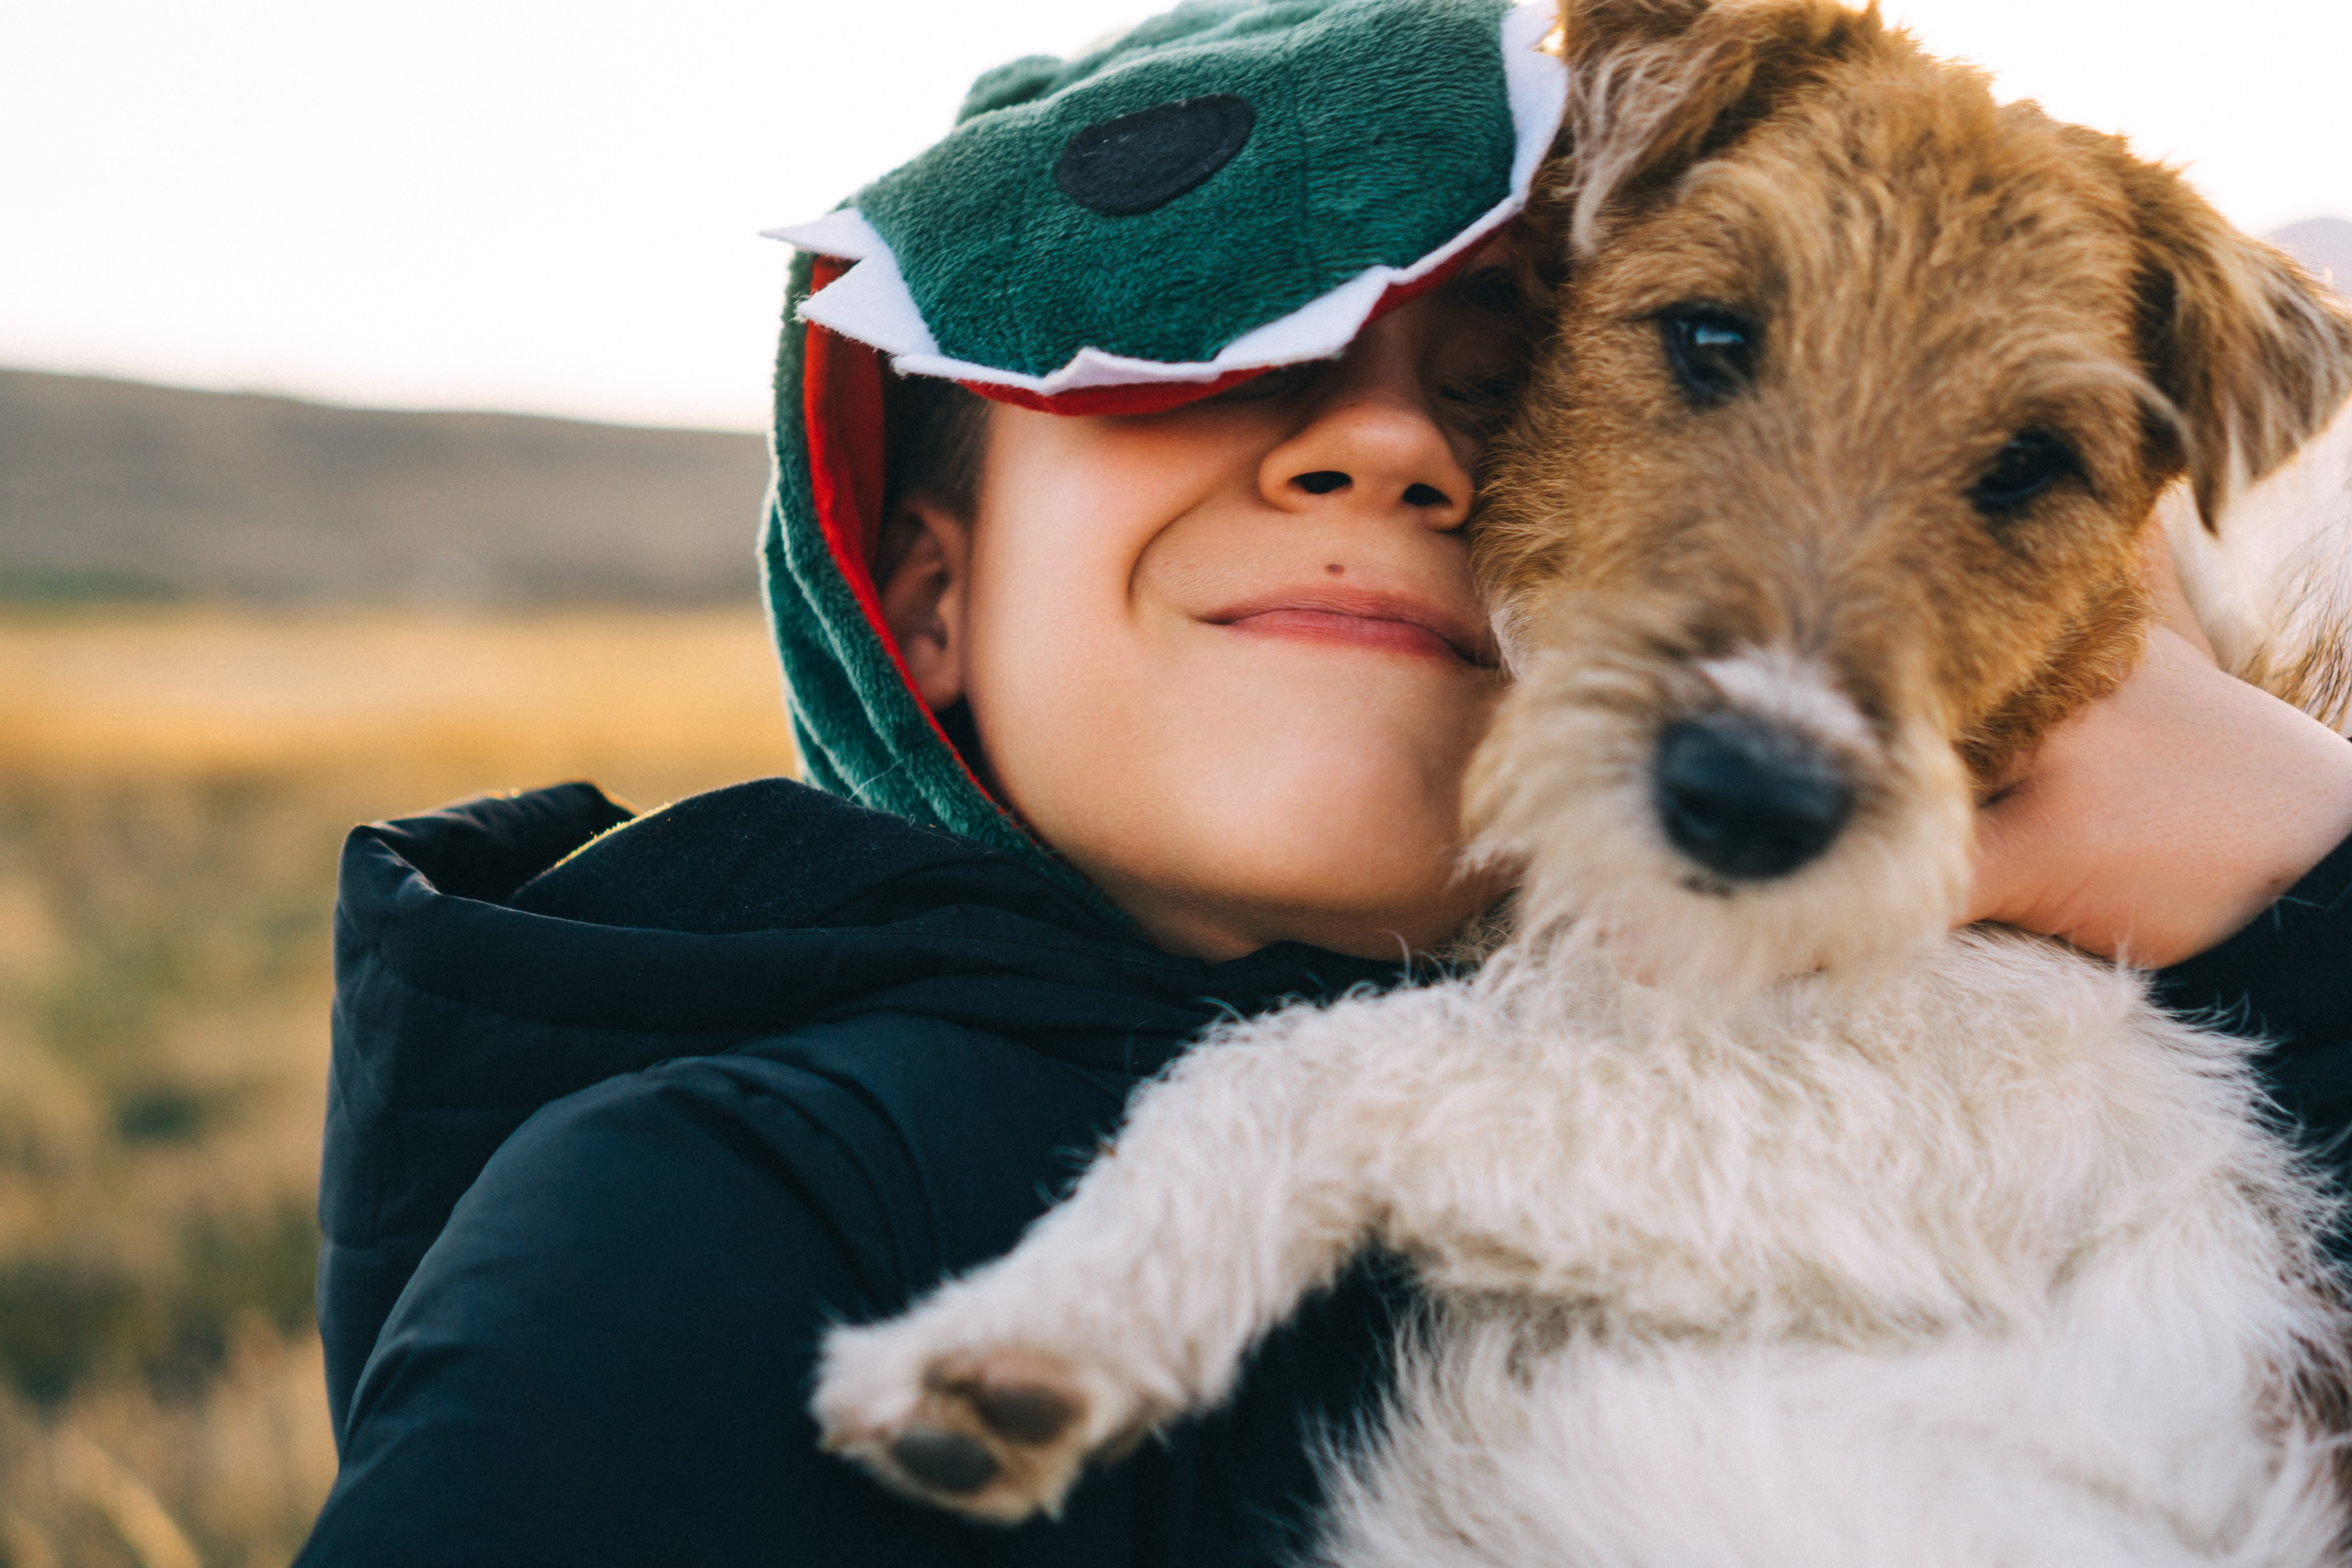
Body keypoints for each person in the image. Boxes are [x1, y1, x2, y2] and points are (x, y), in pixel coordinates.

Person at [294, 2, 2352, 1562]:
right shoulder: (739, 1196)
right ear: (915, 590)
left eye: (1493, 384)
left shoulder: (2012, 981)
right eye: (1215, 361)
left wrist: (2299, 879)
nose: (1388, 452)